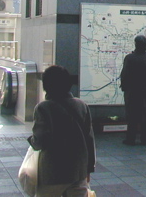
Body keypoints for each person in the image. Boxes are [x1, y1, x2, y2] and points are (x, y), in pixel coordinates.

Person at [29, 65, 96, 196]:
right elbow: (89, 140)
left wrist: (31, 140)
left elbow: (39, 142)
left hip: (53, 172)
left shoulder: (43, 108)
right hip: (78, 171)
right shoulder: (81, 105)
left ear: (46, 86)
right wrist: (89, 169)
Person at [120, 35, 146, 146]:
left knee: (132, 115)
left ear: (136, 44)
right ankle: (144, 139)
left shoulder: (129, 58)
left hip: (132, 90)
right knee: (145, 115)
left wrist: (125, 87)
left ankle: (130, 139)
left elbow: (124, 74)